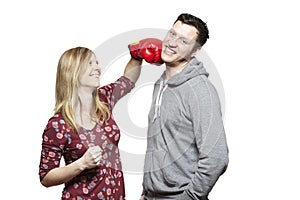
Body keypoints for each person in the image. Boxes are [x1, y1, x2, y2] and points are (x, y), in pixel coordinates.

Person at [39, 43, 163, 199]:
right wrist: (81, 164)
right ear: (72, 72)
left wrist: (136, 56)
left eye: (96, 62)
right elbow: (46, 177)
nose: (97, 68)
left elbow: (128, 80)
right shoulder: (58, 124)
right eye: (89, 63)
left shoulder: (103, 99)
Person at [131, 13, 229, 200]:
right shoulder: (161, 84)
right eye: (172, 34)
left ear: (195, 51)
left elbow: (217, 157)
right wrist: (147, 190)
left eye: (183, 41)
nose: (172, 43)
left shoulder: (201, 91)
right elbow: (161, 142)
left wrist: (188, 198)